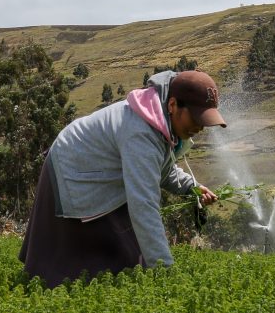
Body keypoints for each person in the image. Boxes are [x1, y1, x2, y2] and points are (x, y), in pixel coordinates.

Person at [19, 69, 227, 288]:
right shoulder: (141, 133)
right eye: (196, 117)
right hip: (73, 171)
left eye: (204, 120)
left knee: (123, 257)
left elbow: (162, 168)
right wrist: (165, 271)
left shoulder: (161, 123)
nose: (200, 127)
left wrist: (191, 187)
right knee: (82, 264)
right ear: (173, 105)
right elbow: (144, 205)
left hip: (99, 174)